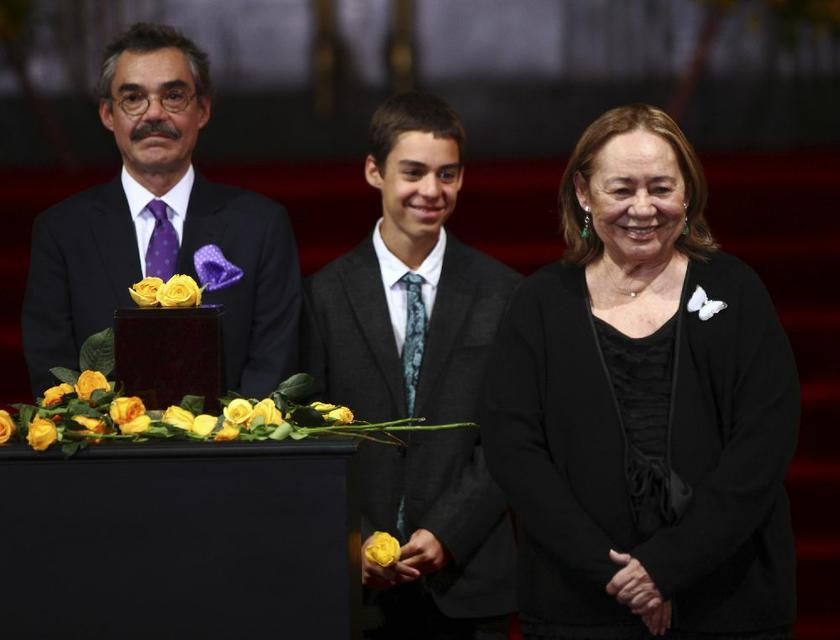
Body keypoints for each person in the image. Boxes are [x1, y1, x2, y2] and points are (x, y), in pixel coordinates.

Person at [480, 104, 799, 639]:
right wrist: (615, 575)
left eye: (661, 187)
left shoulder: (736, 291)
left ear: (688, 191)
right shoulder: (539, 303)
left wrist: (667, 567)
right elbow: (515, 451)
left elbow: (763, 445)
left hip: (727, 601)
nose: (643, 208)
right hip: (579, 603)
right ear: (584, 193)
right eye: (622, 189)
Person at [301, 91, 520, 639]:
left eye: (447, 175)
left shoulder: (503, 292)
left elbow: (514, 435)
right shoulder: (322, 296)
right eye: (414, 172)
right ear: (374, 171)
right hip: (358, 584)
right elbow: (307, 428)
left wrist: (448, 530)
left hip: (467, 579)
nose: (432, 191)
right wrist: (359, 539)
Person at [21, 22, 300, 399]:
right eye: (133, 98)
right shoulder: (61, 232)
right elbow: (53, 369)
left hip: (230, 452)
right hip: (103, 454)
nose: (153, 114)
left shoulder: (261, 226)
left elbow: (272, 365)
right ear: (107, 114)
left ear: (202, 110)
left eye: (173, 96)